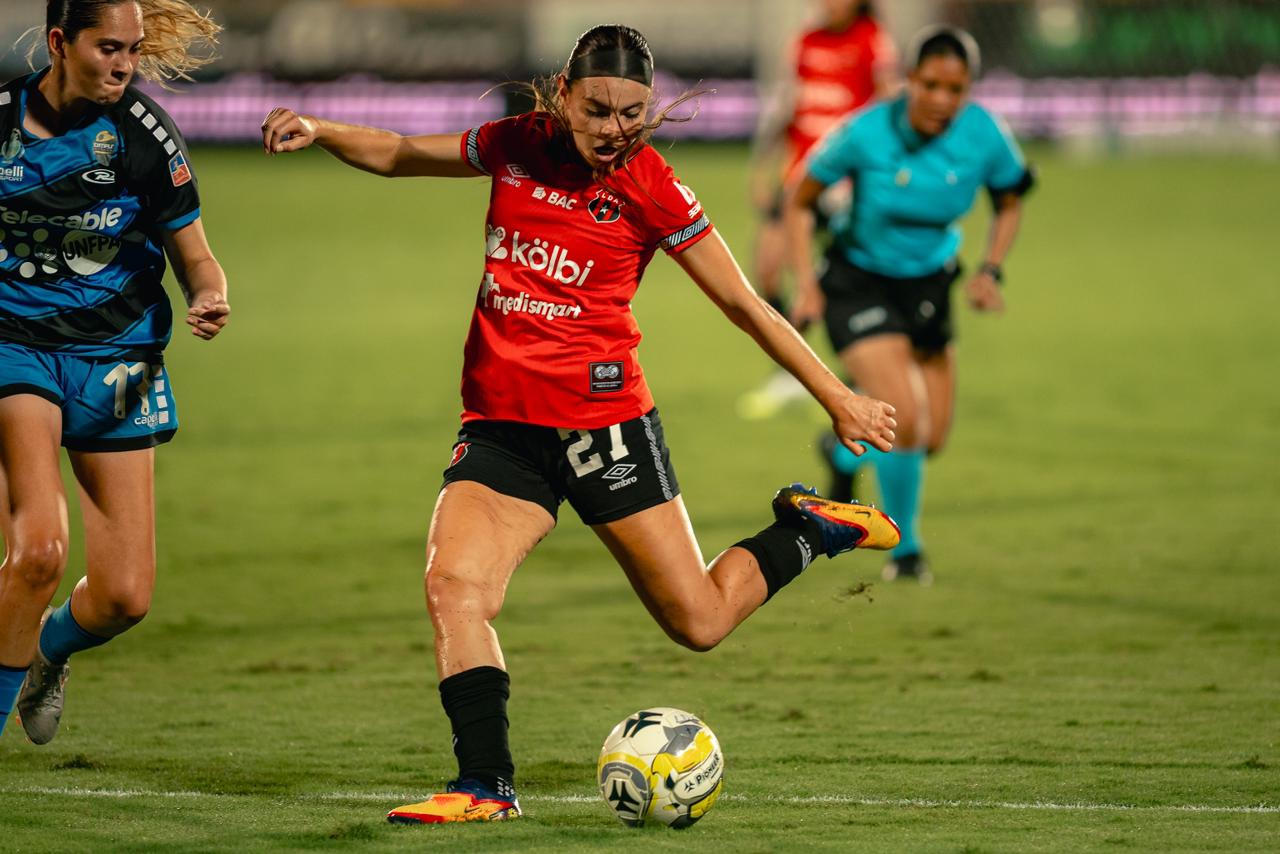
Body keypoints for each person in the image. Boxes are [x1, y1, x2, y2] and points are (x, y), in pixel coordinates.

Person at [262, 24, 899, 824]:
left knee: (700, 622)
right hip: (502, 428)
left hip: (607, 431)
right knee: (454, 588)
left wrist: (837, 396)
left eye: (632, 114)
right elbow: (397, 153)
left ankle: (807, 527)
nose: (614, 129)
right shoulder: (516, 144)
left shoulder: (652, 185)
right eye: (598, 110)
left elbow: (744, 303)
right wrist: (320, 129)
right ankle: (485, 785)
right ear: (563, 95)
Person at [0, 0, 227, 743]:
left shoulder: (142, 133)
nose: (125, 64)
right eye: (108, 48)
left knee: (124, 597)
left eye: (132, 49)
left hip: (117, 358)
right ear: (59, 42)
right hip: (15, 347)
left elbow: (197, 258)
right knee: (39, 551)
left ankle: (46, 651)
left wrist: (208, 295)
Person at [783, 25, 1033, 583]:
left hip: (929, 288)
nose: (942, 100)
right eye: (930, 85)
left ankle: (840, 454)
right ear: (909, 80)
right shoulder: (866, 131)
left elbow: (1010, 198)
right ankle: (905, 552)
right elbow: (800, 197)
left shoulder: (983, 132)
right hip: (859, 284)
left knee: (930, 438)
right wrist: (806, 284)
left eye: (955, 89)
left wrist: (990, 269)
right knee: (907, 420)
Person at [737, 0, 898, 420]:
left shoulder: (872, 41)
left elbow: (888, 110)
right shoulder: (807, 39)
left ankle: (859, 376)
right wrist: (762, 167)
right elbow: (790, 106)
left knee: (849, 277)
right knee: (767, 267)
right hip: (799, 178)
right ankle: (788, 374)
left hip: (846, 183)